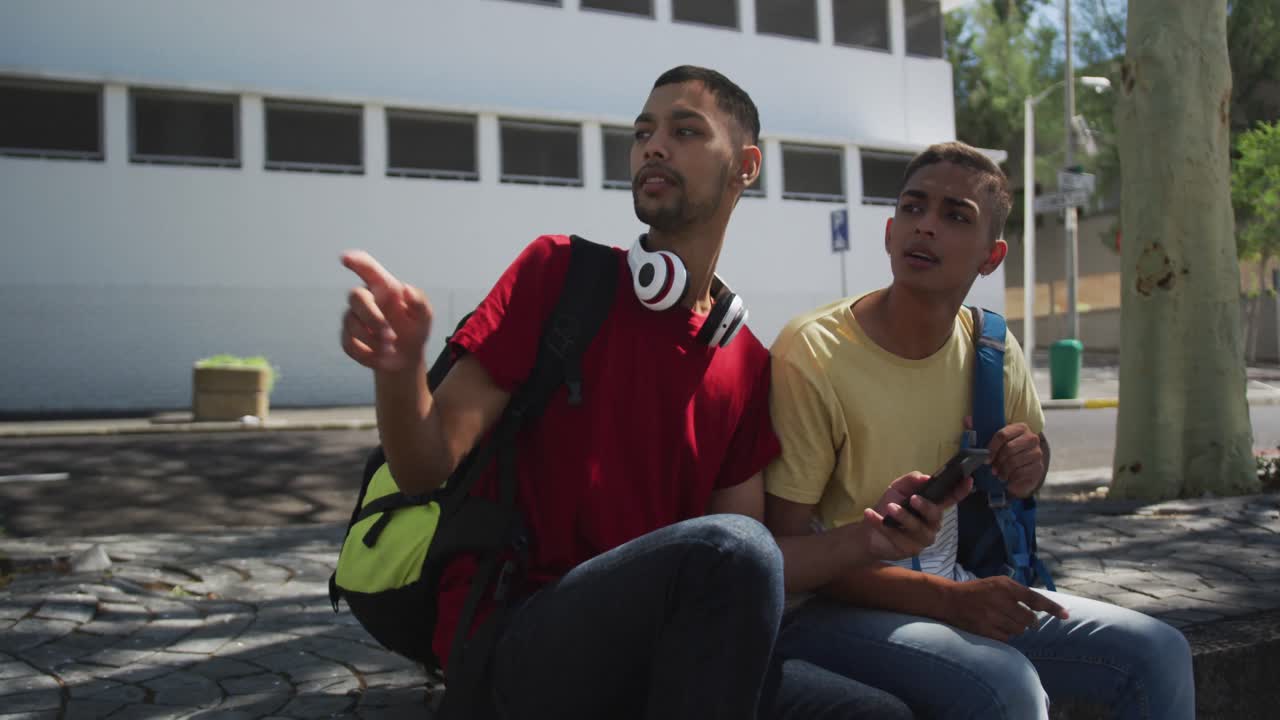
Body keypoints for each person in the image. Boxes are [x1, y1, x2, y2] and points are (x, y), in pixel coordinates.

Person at [339, 66, 952, 719]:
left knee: (878, 716)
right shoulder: (557, 275)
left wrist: (872, 538)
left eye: (684, 130)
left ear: (745, 166)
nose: (653, 147)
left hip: (664, 657)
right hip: (520, 648)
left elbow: (756, 568)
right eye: (642, 133)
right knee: (731, 550)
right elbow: (423, 465)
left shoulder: (745, 363)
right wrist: (400, 371)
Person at [764, 141, 1195, 720]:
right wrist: (949, 601)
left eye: (955, 215)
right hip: (827, 611)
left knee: (1159, 650)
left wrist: (1029, 462)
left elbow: (1030, 461)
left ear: (992, 257)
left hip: (957, 587)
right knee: (1006, 683)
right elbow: (783, 556)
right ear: (890, 233)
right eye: (914, 209)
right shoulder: (814, 352)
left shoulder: (992, 346)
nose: (927, 228)